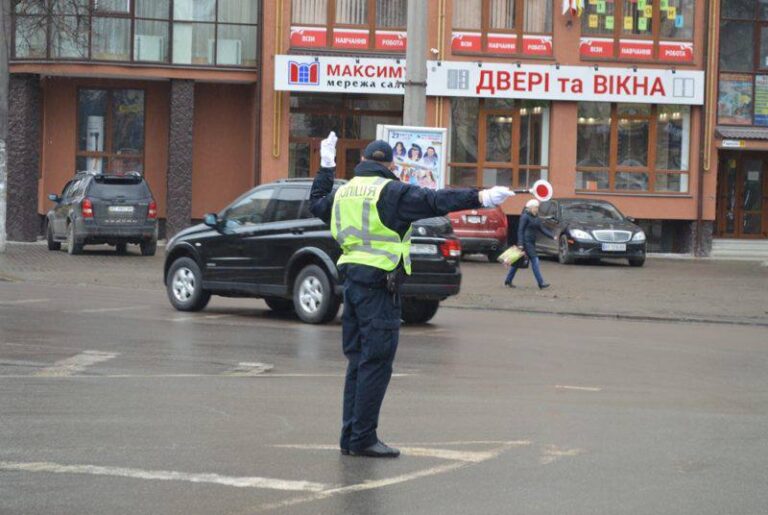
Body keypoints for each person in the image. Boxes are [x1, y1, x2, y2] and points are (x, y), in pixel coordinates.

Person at [310, 132, 514, 458]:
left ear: (362, 162)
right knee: (376, 364)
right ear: (390, 165)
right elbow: (436, 201)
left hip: (352, 287)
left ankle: (350, 436)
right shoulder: (391, 192)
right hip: (380, 289)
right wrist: (483, 197)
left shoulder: (344, 193)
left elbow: (315, 202)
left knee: (358, 362)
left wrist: (326, 165)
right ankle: (363, 439)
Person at [504, 199, 555, 290]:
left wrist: (552, 236)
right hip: (525, 242)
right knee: (535, 261)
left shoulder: (536, 218)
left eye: (537, 207)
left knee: (517, 262)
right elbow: (520, 230)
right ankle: (541, 283)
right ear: (530, 207)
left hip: (531, 242)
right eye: (535, 207)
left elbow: (542, 229)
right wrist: (520, 243)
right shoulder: (525, 216)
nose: (537, 209)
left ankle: (508, 280)